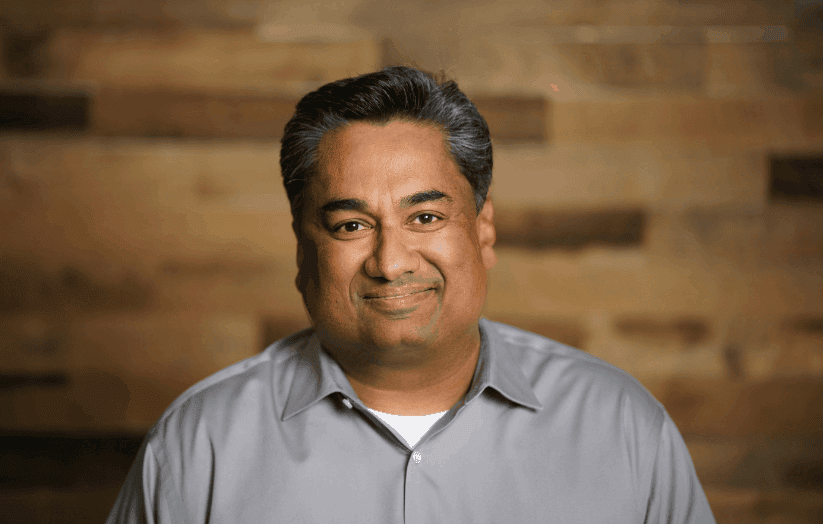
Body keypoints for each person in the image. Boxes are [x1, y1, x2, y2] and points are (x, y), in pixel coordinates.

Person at [106, 66, 716, 523]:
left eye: (424, 218)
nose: (391, 262)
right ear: (302, 252)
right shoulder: (200, 443)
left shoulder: (621, 426)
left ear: (482, 232)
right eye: (351, 225)